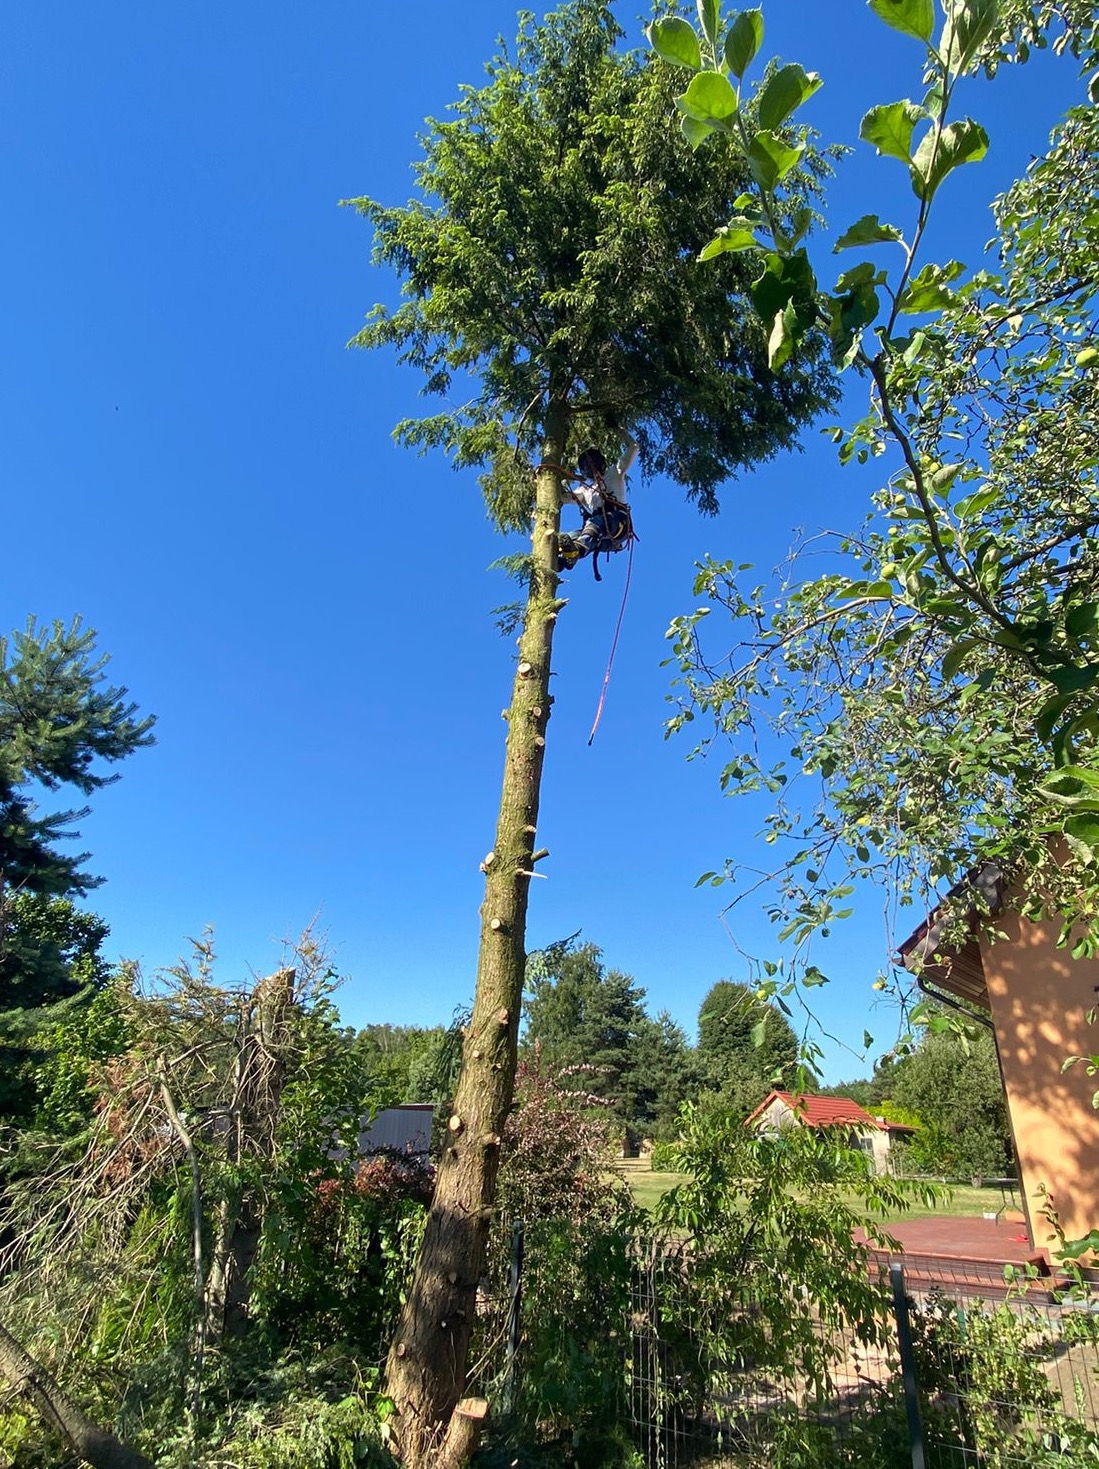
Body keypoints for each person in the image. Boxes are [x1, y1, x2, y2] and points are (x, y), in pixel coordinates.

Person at [556, 431, 638, 574]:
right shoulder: (584, 490)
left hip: (618, 524)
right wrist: (561, 477)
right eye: (585, 466)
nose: (589, 468)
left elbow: (633, 446)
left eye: (591, 463)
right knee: (567, 538)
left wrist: (617, 428)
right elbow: (562, 497)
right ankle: (562, 560)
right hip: (599, 536)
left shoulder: (614, 472)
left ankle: (576, 551)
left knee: (595, 523)